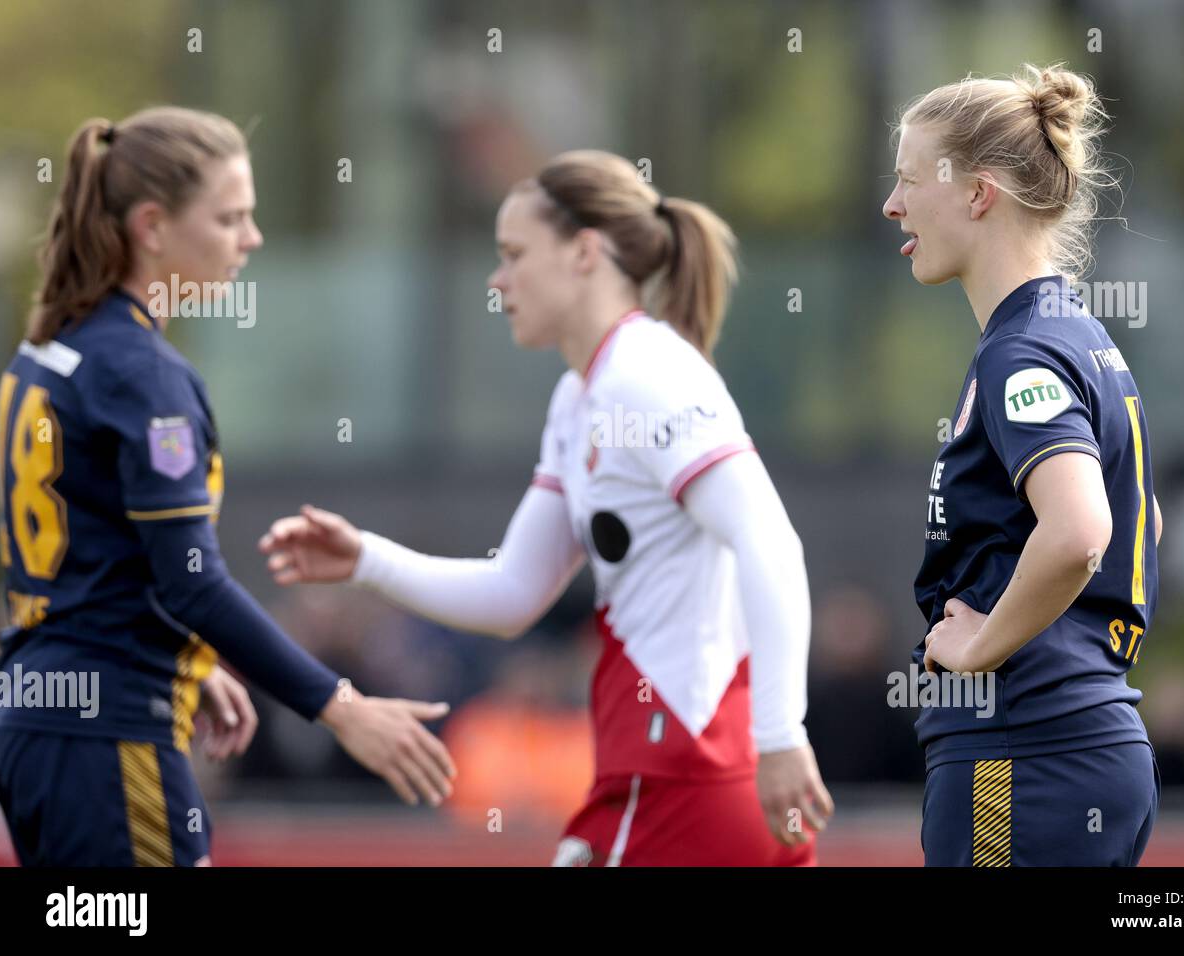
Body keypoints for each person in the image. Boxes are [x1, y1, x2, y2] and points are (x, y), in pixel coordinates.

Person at [258, 150, 834, 866]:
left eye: (513, 254)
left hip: (686, 771)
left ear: (585, 252)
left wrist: (782, 735)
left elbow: (769, 541)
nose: (497, 281)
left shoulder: (646, 374)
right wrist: (366, 560)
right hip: (666, 775)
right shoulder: (581, 397)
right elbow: (514, 593)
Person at [0, 108, 456, 867]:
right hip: (107, 732)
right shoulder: (143, 375)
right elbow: (191, 582)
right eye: (231, 217)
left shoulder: (52, 348)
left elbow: (101, 555)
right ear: (152, 226)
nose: (253, 238)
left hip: (44, 718)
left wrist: (190, 662)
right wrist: (342, 708)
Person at [882, 63, 1163, 866]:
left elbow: (1080, 532)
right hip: (1083, 747)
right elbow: (1141, 517)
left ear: (978, 195)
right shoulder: (1076, 334)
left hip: (1022, 754)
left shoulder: (1023, 351)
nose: (892, 204)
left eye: (907, 180)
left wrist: (977, 649)